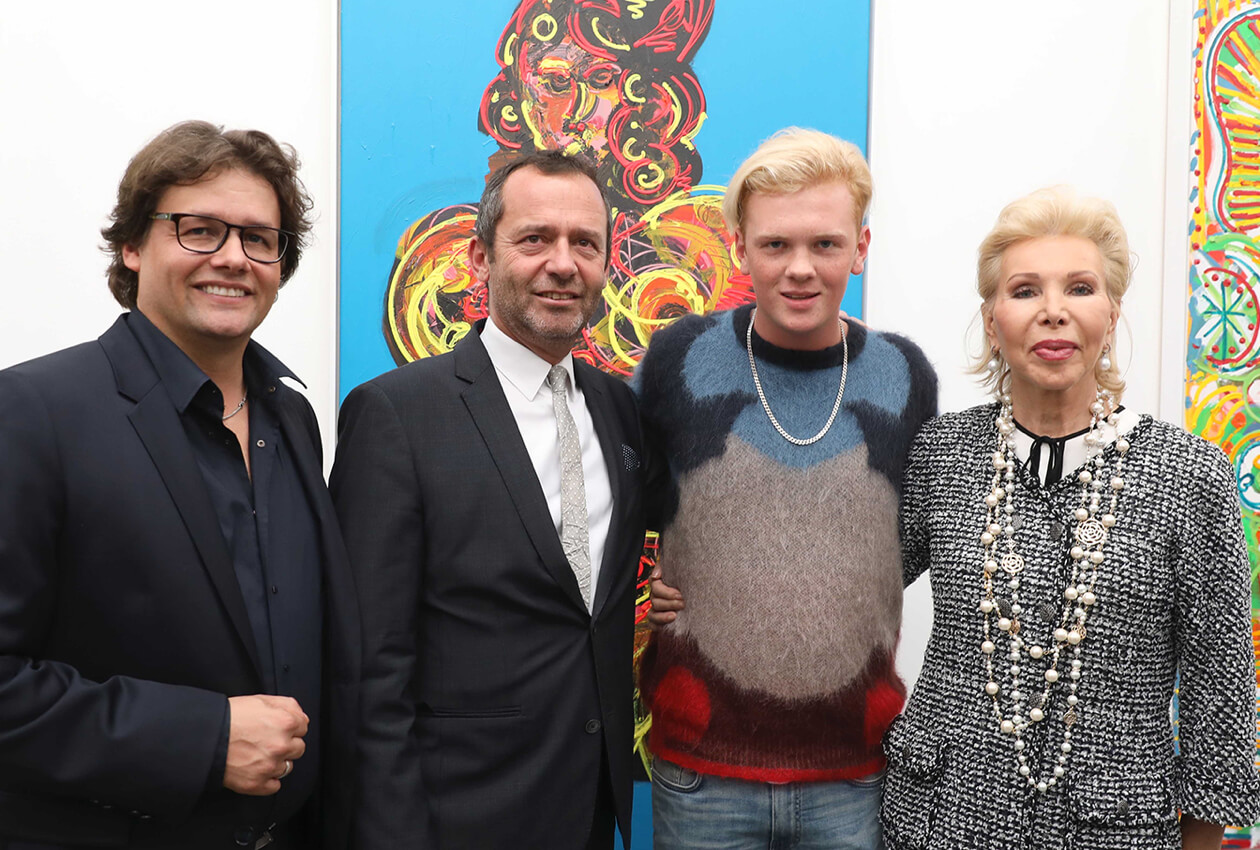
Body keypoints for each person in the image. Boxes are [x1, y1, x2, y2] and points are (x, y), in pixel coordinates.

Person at [0, 121, 360, 849]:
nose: (234, 257)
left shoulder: (293, 416)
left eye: (260, 238)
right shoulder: (31, 412)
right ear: (132, 246)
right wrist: (204, 737)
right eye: (199, 230)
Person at [880, 187, 1260, 849]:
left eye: (1080, 288)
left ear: (1111, 314)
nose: (1053, 312)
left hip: (1115, 830)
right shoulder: (942, 451)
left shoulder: (1191, 473)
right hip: (940, 820)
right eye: (1025, 291)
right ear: (993, 320)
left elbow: (1218, 690)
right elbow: (852, 583)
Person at [332, 150, 651, 849]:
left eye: (585, 244)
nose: (563, 264)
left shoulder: (620, 411)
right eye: (534, 239)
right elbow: (367, 663)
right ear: (480, 258)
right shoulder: (395, 415)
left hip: (590, 811)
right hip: (455, 817)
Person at [638, 127, 937, 849]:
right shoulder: (680, 358)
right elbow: (619, 496)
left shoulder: (904, 376)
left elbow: (919, 536)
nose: (800, 268)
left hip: (855, 772)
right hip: (700, 769)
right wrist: (646, 580)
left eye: (825, 245)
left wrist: (832, 580)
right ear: (740, 247)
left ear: (860, 248)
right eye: (775, 245)